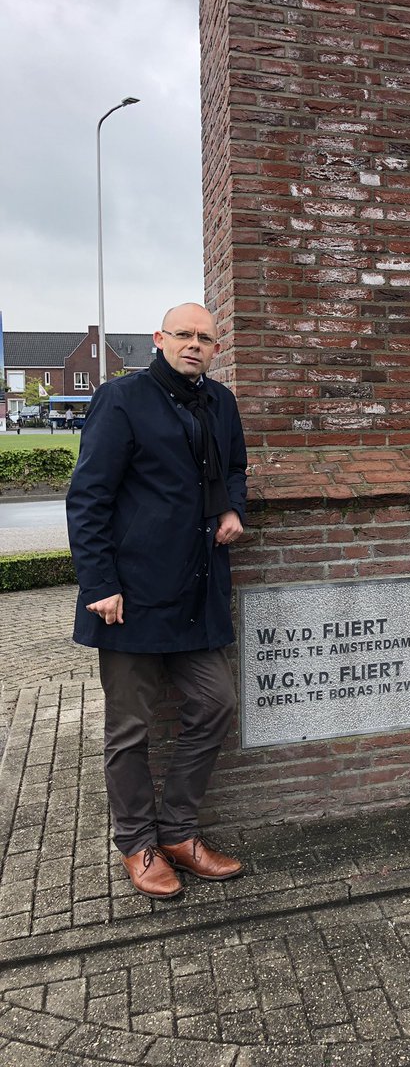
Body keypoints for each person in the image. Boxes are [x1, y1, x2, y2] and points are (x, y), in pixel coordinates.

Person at [67, 303, 248, 899]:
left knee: (217, 703)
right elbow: (88, 496)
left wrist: (231, 508)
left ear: (216, 348)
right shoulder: (122, 399)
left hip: (196, 591)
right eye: (184, 335)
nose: (194, 345)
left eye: (205, 338)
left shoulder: (220, 403)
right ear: (159, 339)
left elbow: (236, 470)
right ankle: (137, 842)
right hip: (129, 596)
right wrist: (99, 584)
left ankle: (176, 829)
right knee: (129, 730)